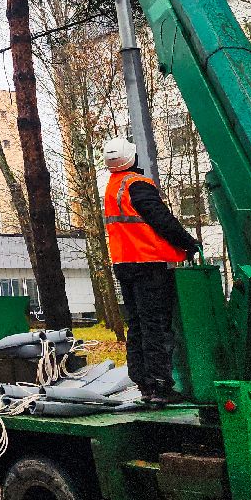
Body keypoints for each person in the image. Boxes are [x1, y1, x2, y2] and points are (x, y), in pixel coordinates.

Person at [101, 137, 201, 407]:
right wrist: (188, 244)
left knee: (137, 325)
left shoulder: (113, 187)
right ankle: (159, 385)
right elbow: (163, 221)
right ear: (131, 158)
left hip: (124, 264)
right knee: (155, 325)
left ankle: (145, 383)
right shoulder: (138, 185)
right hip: (148, 265)